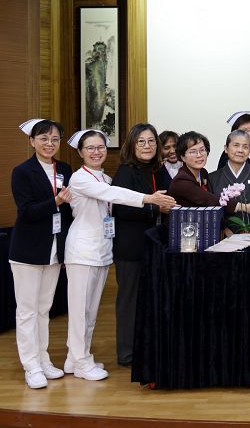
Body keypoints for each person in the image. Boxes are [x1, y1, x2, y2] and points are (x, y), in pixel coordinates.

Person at [65, 129, 175, 381]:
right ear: (80, 152)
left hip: (102, 250)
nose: (96, 152)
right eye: (90, 148)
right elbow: (115, 196)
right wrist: (150, 199)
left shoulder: (104, 177)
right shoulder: (80, 178)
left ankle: (74, 358)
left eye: (101, 147)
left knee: (90, 310)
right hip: (82, 250)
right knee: (80, 310)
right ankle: (81, 361)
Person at [9, 119, 73, 389]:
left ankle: (43, 358)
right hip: (28, 250)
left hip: (54, 250)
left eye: (55, 139)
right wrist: (56, 201)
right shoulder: (22, 172)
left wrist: (66, 250)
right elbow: (27, 211)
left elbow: (68, 215)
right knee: (27, 311)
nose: (50, 144)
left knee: (44, 309)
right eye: (44, 138)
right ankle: (31, 365)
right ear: (32, 141)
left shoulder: (65, 169)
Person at [111, 123, 171, 368]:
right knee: (129, 300)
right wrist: (155, 207)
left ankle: (148, 346)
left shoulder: (159, 170)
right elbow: (120, 208)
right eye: (141, 142)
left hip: (156, 245)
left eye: (151, 141)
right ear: (132, 145)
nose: (147, 146)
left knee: (152, 298)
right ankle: (127, 353)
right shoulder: (126, 171)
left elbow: (171, 197)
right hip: (131, 248)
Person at [169, 131, 237, 212]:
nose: (199, 155)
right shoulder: (180, 181)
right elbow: (208, 199)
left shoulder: (203, 172)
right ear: (183, 157)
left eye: (202, 150)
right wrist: (240, 206)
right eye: (193, 152)